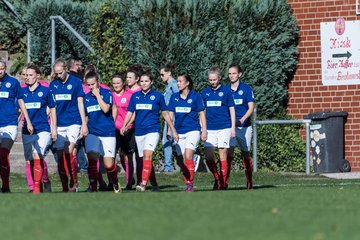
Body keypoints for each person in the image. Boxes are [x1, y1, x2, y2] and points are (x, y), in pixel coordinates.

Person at [121, 69, 178, 192]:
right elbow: (131, 112)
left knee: (148, 154)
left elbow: (165, 114)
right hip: (139, 132)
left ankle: (143, 184)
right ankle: (154, 183)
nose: (143, 83)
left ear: (151, 82)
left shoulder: (158, 96)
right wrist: (124, 125)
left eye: (146, 81)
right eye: (141, 81)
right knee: (145, 159)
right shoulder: (135, 96)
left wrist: (172, 129)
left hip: (153, 130)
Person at [49, 58, 88, 192]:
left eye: (61, 73)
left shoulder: (76, 82)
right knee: (60, 155)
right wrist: (53, 127)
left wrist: (84, 124)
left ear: (66, 69)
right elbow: (52, 107)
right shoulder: (53, 85)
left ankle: (74, 182)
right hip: (59, 124)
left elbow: (80, 103)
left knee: (69, 152)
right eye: (57, 73)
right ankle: (65, 185)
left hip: (74, 122)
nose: (59, 75)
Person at [21, 63, 57, 194]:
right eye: (26, 75)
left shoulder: (46, 91)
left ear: (37, 76)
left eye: (30, 75)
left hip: (42, 129)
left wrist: (54, 128)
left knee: (37, 155)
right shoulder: (22, 92)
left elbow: (53, 108)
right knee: (30, 160)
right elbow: (19, 109)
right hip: (27, 130)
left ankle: (36, 188)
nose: (28, 78)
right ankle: (43, 182)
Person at [168, 73, 207, 192]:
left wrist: (204, 130)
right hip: (179, 132)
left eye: (180, 81)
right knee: (184, 159)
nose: (178, 83)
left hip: (193, 130)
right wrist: (170, 130)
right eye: (177, 81)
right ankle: (188, 183)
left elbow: (201, 114)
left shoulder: (196, 96)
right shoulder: (174, 97)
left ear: (187, 83)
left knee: (188, 155)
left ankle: (190, 184)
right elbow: (170, 115)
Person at [84, 71, 121, 193]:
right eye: (88, 85)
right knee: (92, 159)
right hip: (93, 133)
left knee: (109, 165)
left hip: (107, 133)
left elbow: (105, 109)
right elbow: (85, 116)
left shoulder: (106, 93)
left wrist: (98, 95)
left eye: (93, 84)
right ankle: (93, 187)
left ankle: (115, 183)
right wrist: (83, 127)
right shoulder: (86, 98)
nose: (91, 87)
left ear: (98, 83)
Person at [0, 59, 33, 193]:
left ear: (5, 68)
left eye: (1, 68)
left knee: (3, 153)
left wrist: (28, 120)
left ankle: (6, 185)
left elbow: (21, 101)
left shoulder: (13, 82)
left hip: (9, 124)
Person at [202, 66, 236, 190]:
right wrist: (203, 128)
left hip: (224, 127)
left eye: (215, 79)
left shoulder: (226, 91)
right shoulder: (205, 92)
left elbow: (232, 110)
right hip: (209, 128)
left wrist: (232, 128)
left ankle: (223, 182)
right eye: (210, 80)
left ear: (219, 78)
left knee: (222, 154)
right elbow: (203, 112)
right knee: (208, 156)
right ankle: (217, 178)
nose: (212, 82)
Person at [227, 64, 255, 189]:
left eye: (234, 73)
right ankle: (224, 182)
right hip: (230, 127)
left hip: (245, 127)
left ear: (240, 74)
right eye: (230, 74)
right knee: (228, 152)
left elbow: (251, 108)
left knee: (245, 153)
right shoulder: (226, 90)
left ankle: (249, 181)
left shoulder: (246, 89)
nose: (232, 76)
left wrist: (242, 120)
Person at [112, 72, 136, 190]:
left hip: (127, 129)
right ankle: (116, 181)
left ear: (123, 83)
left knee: (127, 156)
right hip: (115, 129)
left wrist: (128, 125)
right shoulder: (110, 95)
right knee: (117, 156)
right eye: (114, 83)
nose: (116, 85)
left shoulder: (130, 95)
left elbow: (133, 112)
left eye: (118, 83)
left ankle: (129, 181)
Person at [160, 64, 179, 173]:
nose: (161, 77)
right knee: (171, 141)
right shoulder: (168, 86)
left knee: (167, 141)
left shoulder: (174, 85)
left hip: (173, 116)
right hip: (168, 116)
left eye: (162, 74)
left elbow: (178, 99)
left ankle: (168, 167)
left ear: (169, 73)